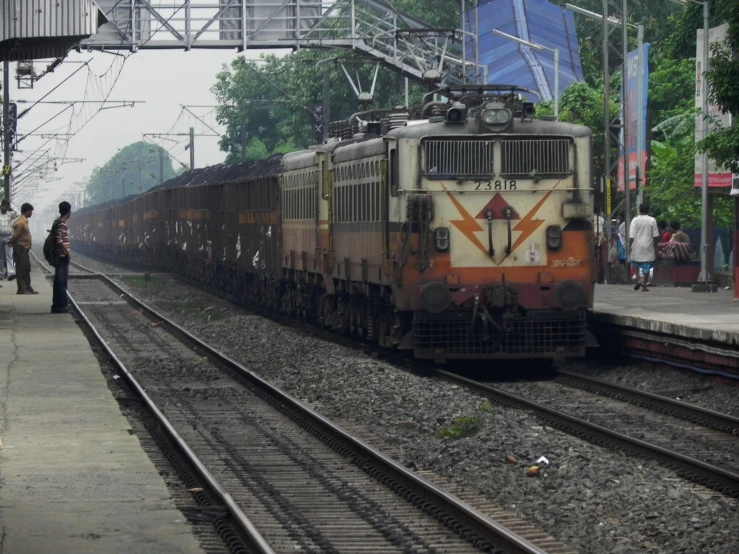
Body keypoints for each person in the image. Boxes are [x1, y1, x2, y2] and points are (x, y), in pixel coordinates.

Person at [7, 202, 37, 294]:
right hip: (20, 248)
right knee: (21, 269)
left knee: (26, 268)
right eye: (31, 211)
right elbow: (16, 235)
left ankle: (27, 287)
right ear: (27, 211)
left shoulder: (23, 221)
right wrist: (11, 242)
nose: (32, 213)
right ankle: (21, 289)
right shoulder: (20, 222)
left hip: (24, 248)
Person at [629, 203, 659, 292]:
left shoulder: (635, 220)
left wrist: (630, 246)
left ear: (639, 210)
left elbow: (631, 235)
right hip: (648, 246)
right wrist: (655, 246)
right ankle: (644, 286)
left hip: (637, 245)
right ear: (648, 210)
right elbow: (656, 235)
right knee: (646, 266)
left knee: (635, 264)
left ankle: (638, 280)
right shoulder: (652, 220)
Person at [52, 201, 72, 314]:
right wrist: (67, 252)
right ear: (68, 212)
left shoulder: (57, 222)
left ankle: (57, 305)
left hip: (59, 255)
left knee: (58, 281)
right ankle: (61, 306)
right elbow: (59, 240)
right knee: (61, 281)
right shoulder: (62, 224)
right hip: (62, 256)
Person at [0, 199, 19, 284]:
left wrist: (11, 206)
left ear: (7, 207)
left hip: (8, 236)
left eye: (6, 206)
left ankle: (10, 272)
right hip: (0, 236)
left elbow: (17, 214)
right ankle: (1, 273)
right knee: (1, 256)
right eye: (3, 206)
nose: (4, 208)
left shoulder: (10, 214)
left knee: (9, 255)